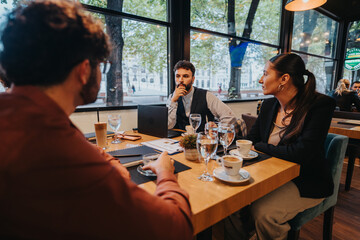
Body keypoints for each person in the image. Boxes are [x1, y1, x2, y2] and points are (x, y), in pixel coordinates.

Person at [0, 1, 192, 239]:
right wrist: (166, 174)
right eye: (101, 65)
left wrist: (105, 167)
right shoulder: (59, 150)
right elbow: (175, 229)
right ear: (83, 70)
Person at [226, 53, 336, 240]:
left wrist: (261, 146)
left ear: (284, 79)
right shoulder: (269, 105)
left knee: (263, 212)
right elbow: (251, 141)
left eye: (265, 74)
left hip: (306, 180)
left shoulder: (320, 105)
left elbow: (301, 153)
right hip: (269, 174)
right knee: (229, 202)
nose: (261, 79)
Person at [167, 60, 236, 132]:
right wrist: (173, 101)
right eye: (178, 76)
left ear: (193, 79)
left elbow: (229, 117)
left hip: (202, 140)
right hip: (180, 140)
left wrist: (217, 131)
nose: (180, 80)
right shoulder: (171, 97)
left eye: (185, 76)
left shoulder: (206, 95)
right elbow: (169, 125)